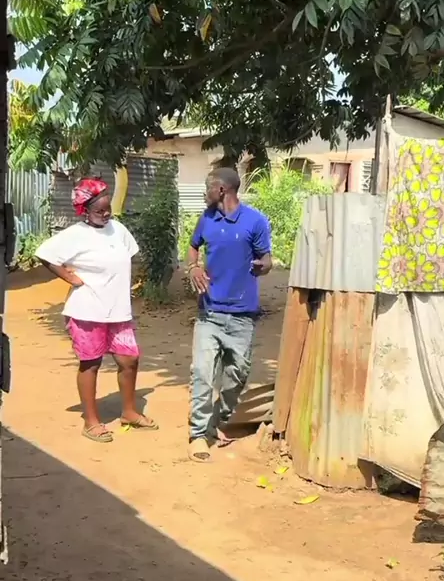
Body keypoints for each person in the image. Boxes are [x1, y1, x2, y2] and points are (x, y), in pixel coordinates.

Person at [36, 177, 157, 443]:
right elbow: (44, 254)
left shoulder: (118, 229)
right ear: (84, 210)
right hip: (87, 310)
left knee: (129, 360)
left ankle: (129, 412)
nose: (105, 214)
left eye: (107, 209)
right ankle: (91, 421)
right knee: (91, 363)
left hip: (119, 311)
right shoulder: (75, 235)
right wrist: (69, 277)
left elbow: (129, 256)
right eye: (99, 211)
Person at [187, 167, 272, 462]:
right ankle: (198, 434)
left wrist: (263, 266)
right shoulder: (207, 218)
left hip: (242, 315)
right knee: (202, 372)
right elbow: (193, 247)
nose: (205, 193)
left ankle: (217, 420)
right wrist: (193, 267)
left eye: (208, 188)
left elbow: (267, 258)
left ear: (221, 190)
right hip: (209, 312)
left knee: (237, 375)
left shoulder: (255, 221)